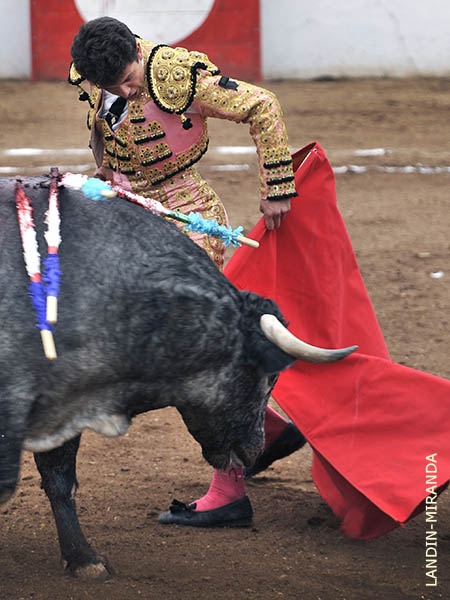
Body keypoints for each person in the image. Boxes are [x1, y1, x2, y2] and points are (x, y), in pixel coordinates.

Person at [69, 17, 306, 528]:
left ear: (137, 52)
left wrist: (277, 186)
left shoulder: (176, 75)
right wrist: (107, 175)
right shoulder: (99, 70)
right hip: (134, 219)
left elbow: (262, 105)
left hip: (188, 219)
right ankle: (268, 428)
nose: (125, 92)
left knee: (193, 357)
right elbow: (108, 133)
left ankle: (230, 490)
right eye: (113, 87)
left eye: (128, 80)